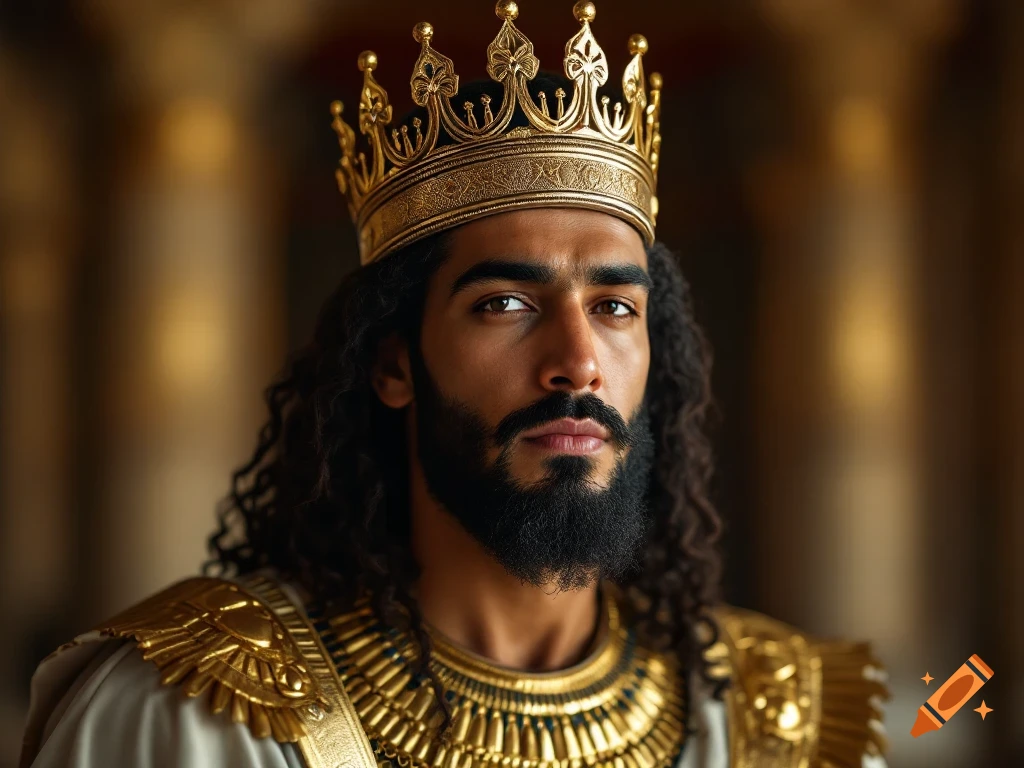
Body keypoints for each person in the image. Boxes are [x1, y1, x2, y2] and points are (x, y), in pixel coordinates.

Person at [19, 2, 890, 767]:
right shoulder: (189, 717)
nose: (578, 360)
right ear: (393, 364)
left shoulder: (779, 729)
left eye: (615, 308)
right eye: (505, 303)